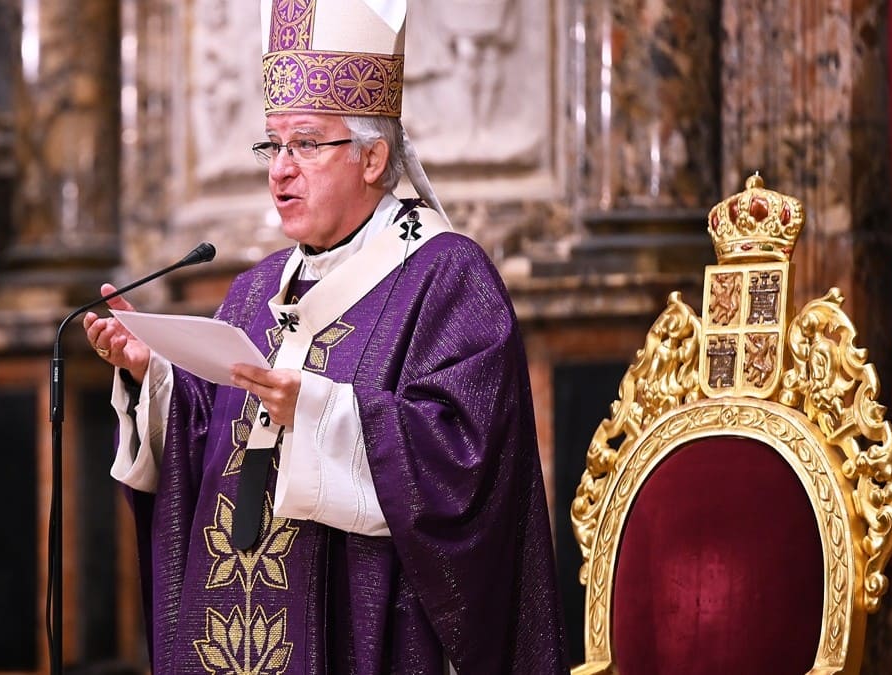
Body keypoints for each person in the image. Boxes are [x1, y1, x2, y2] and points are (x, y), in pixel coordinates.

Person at [83, 1, 567, 672]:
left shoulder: (448, 277)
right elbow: (212, 447)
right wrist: (153, 380)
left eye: (306, 144)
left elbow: (469, 467)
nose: (280, 168)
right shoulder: (255, 292)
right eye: (272, 144)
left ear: (374, 157)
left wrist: (319, 414)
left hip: (370, 641)